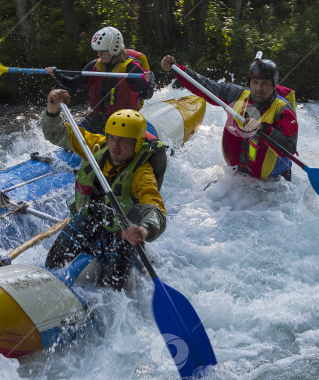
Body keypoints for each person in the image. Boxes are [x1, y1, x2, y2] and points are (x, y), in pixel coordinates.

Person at [40, 88, 167, 290]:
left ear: (137, 143)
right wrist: (52, 110)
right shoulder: (97, 147)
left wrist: (144, 229)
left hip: (123, 232)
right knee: (52, 264)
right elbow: (59, 133)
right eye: (113, 138)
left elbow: (155, 207)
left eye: (124, 141)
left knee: (110, 290)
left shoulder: (142, 173)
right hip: (89, 219)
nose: (116, 146)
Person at [161, 52, 298, 181]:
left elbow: (290, 148)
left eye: (265, 83)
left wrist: (264, 128)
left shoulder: (283, 111)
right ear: (249, 82)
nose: (259, 88)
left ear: (274, 85)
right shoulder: (236, 95)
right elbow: (204, 86)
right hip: (237, 177)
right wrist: (177, 70)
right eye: (255, 83)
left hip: (272, 182)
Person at [46, 26, 155, 133]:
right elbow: (74, 84)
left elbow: (146, 94)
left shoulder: (132, 67)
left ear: (114, 49)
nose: (98, 54)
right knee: (71, 137)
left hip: (123, 120)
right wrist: (56, 74)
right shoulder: (95, 64)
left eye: (102, 51)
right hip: (98, 117)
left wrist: (148, 82)